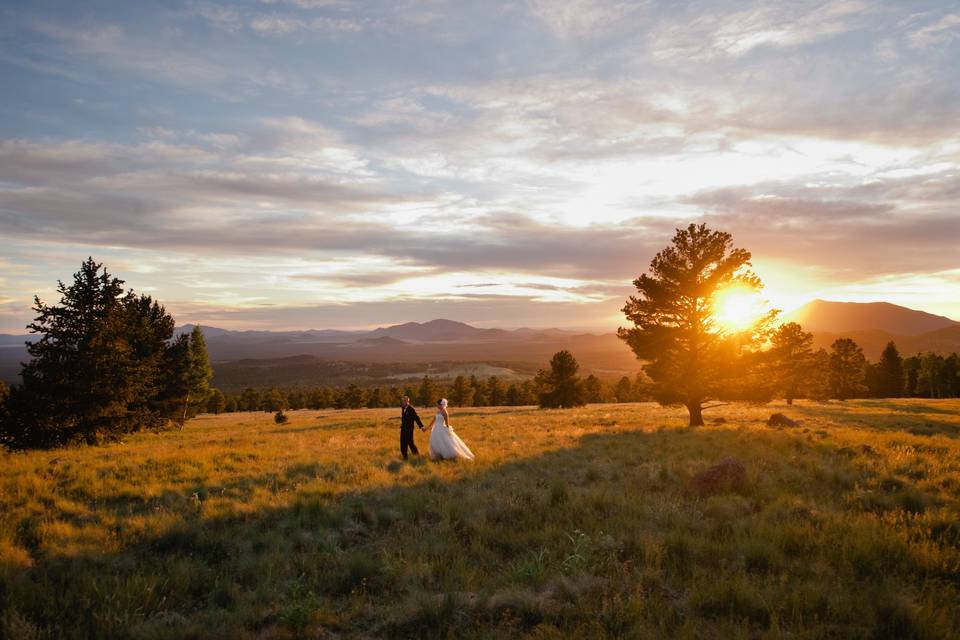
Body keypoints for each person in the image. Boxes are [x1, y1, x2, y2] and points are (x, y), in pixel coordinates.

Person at [399, 395, 425, 460]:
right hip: (403, 429)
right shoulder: (403, 408)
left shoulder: (411, 409)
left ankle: (417, 456)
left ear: (408, 401)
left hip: (409, 430)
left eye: (404, 401)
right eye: (402, 401)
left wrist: (421, 427)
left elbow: (416, 418)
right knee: (403, 443)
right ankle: (405, 457)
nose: (403, 402)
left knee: (411, 443)